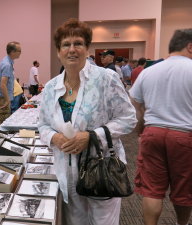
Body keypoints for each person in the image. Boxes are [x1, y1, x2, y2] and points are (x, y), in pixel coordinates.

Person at [38, 18, 136, 225]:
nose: (72, 49)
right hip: (67, 171)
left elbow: (128, 118)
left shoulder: (105, 79)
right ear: (58, 51)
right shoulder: (50, 88)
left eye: (78, 43)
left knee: (103, 222)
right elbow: (43, 125)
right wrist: (54, 137)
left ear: (87, 48)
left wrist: (92, 136)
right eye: (66, 44)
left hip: (101, 168)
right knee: (75, 221)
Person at [129, 28, 192, 225]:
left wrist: (143, 121)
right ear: (190, 46)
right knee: (183, 188)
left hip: (152, 133)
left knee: (152, 189)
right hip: (184, 135)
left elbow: (135, 102)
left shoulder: (149, 71)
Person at [0, 41, 21, 126]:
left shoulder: (7, 61)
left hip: (2, 97)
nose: (20, 53)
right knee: (3, 123)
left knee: (3, 121)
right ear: (12, 52)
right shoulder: (7, 65)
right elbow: (3, 85)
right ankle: (3, 138)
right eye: (19, 51)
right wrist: (7, 100)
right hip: (2, 98)